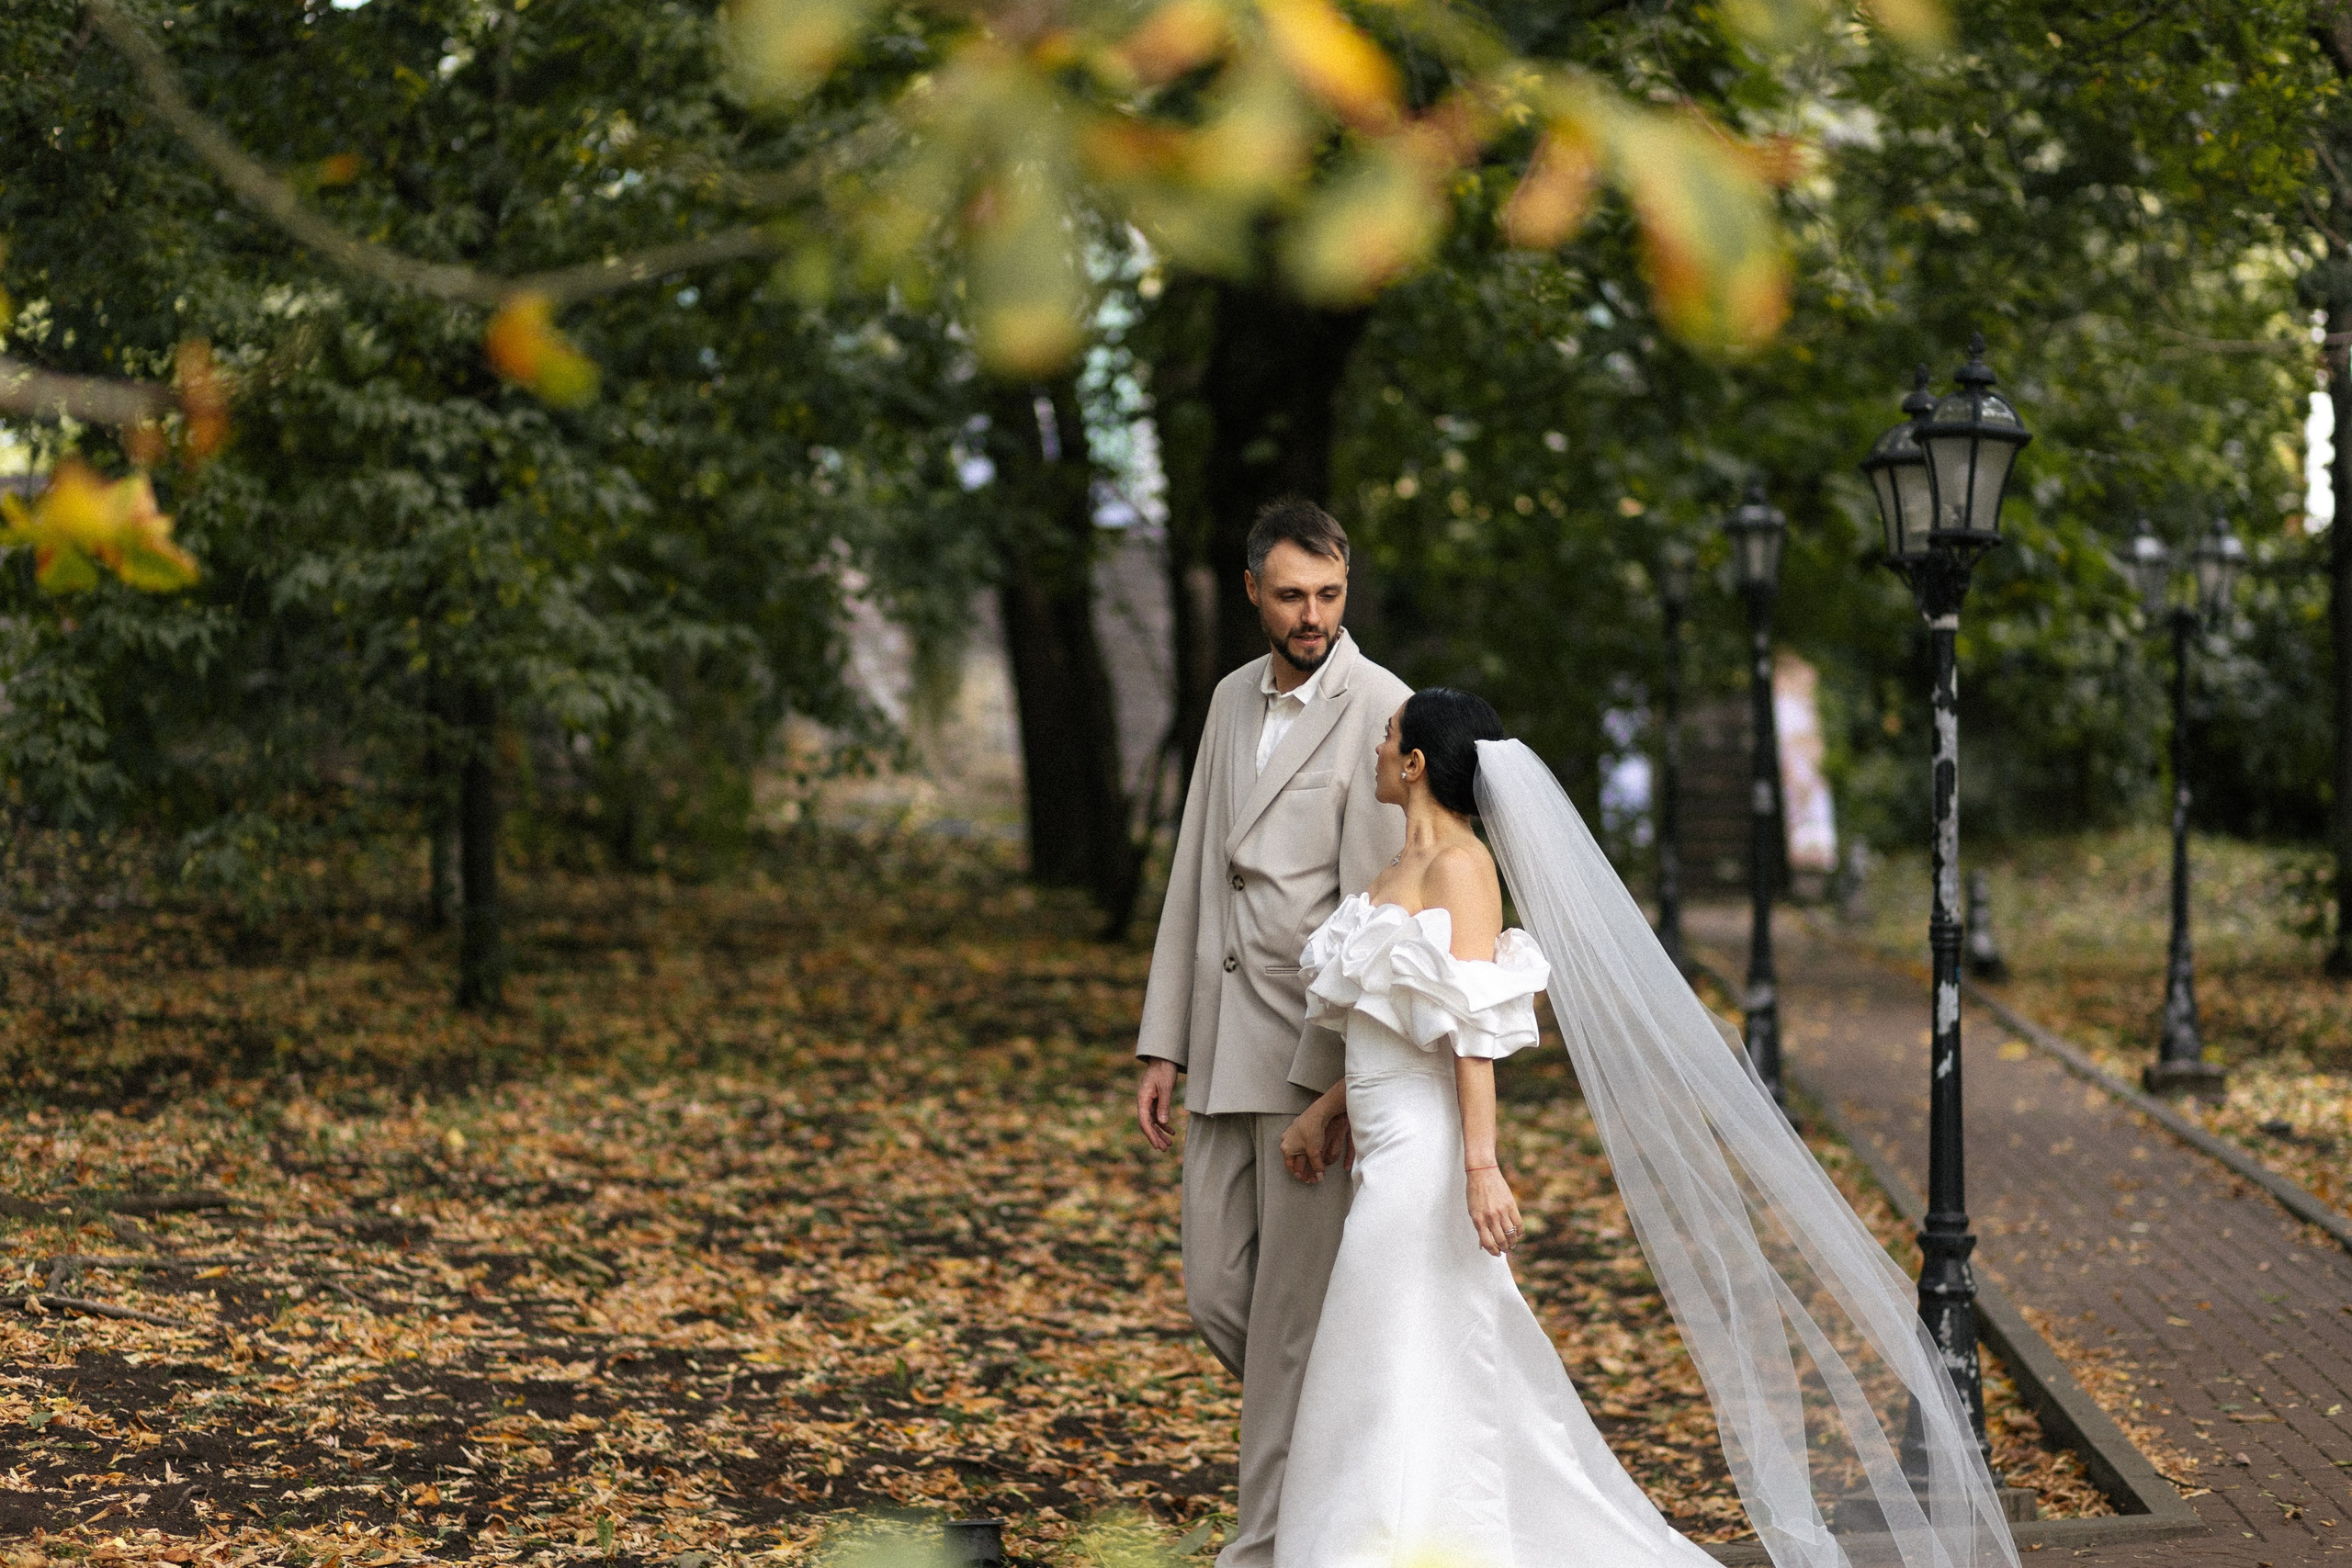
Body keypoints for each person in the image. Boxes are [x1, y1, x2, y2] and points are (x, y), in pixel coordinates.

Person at [1270, 689, 2023, 1568]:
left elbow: (1470, 1032)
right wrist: (1328, 1107)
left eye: (1387, 735)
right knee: (1411, 1344)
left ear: (1415, 764)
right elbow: (1396, 1021)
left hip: (1427, 1155)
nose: (1375, 746)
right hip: (1379, 1135)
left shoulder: (1463, 870)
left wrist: (1480, 1165)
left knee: (1388, 1339)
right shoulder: (1391, 871)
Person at [1133, 498, 1411, 1568]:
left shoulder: (1379, 706)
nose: (1312, 617)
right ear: (1252, 590)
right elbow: (1194, 875)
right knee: (1216, 1296)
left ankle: (1264, 1548)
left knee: (1291, 1331)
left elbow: (1376, 916)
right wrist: (1164, 1040)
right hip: (1217, 1044)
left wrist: (1338, 1087)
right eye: (1291, 596)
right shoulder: (1226, 700)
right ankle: (1360, 1437)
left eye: (1329, 595)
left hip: (1306, 1058)